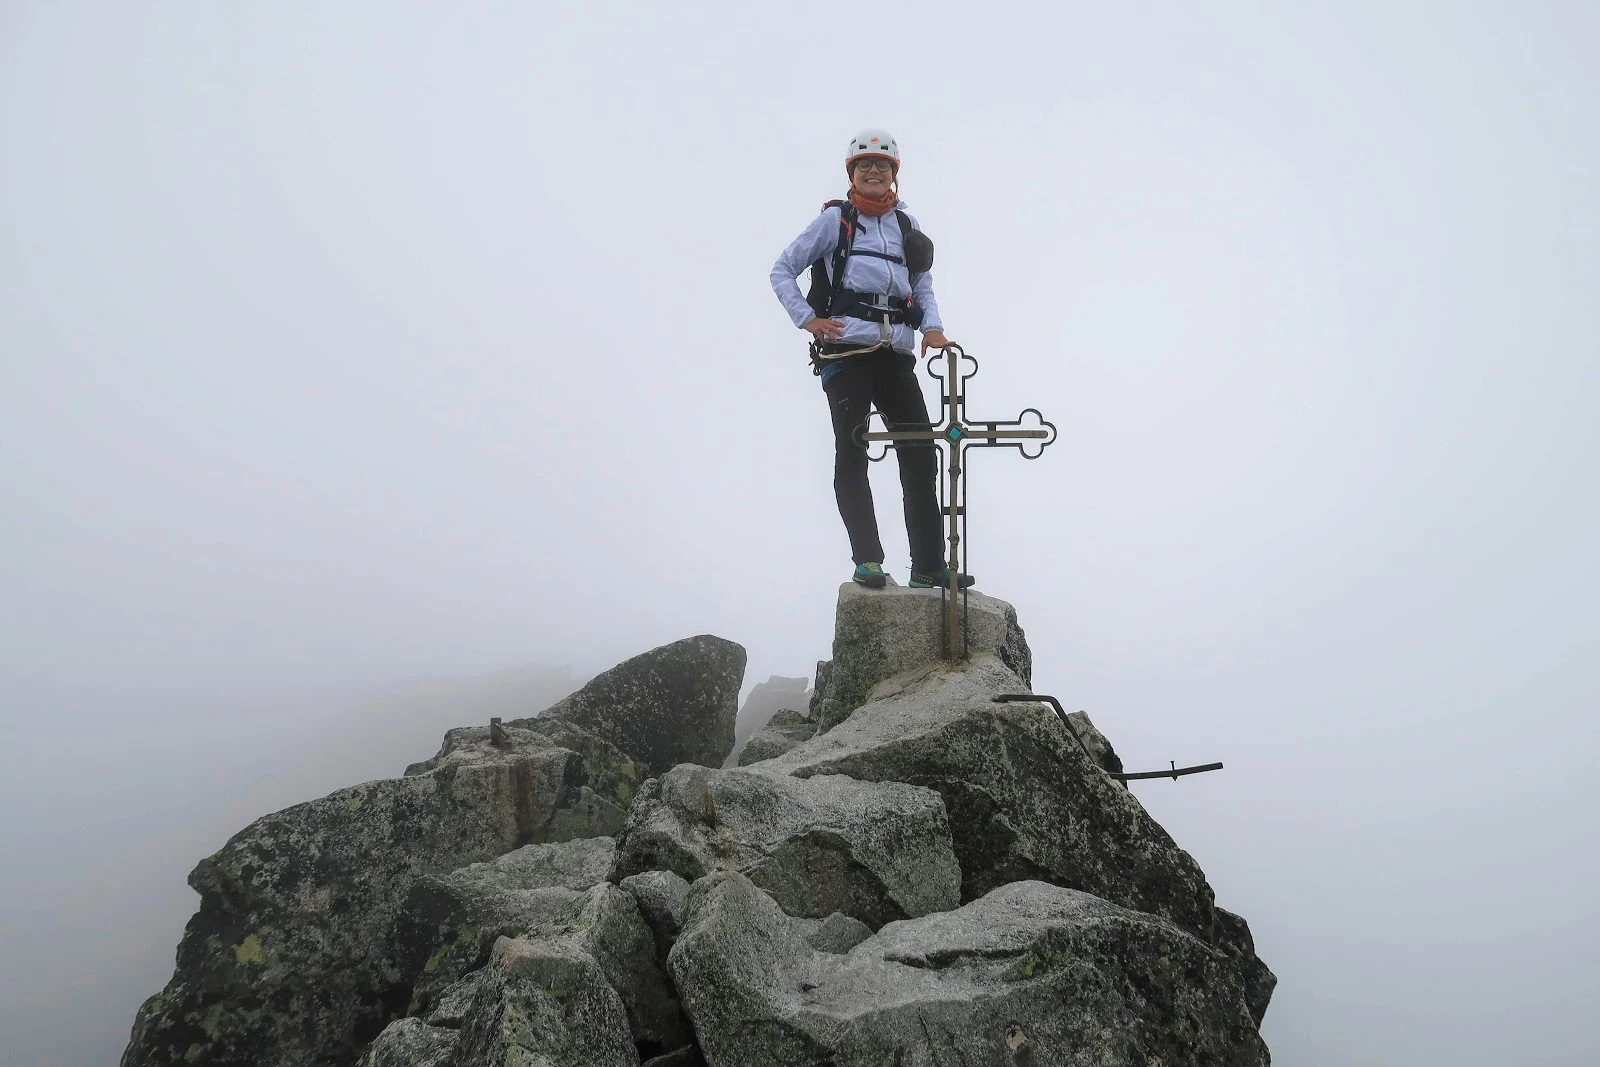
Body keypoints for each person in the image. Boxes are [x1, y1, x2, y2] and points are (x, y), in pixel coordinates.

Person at [770, 128, 975, 590]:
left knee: (921, 454)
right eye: (865, 165)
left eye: (883, 165)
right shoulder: (834, 222)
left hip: (896, 354)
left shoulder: (906, 225)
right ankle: (868, 560)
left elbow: (921, 286)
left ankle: (928, 566)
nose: (875, 171)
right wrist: (807, 319)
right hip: (847, 352)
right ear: (852, 173)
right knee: (853, 451)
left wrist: (933, 328)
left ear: (894, 174)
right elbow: (782, 269)